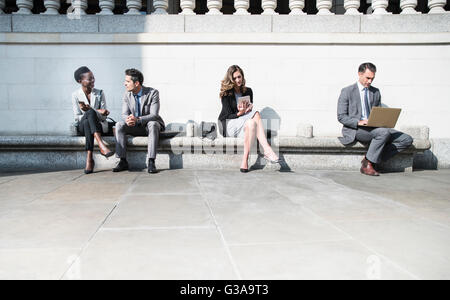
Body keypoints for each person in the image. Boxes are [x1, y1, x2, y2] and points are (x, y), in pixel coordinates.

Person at [337, 62, 413, 176]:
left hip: (376, 127)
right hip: (356, 128)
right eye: (368, 78)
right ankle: (368, 165)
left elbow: (377, 112)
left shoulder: (375, 92)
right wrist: (359, 122)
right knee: (383, 133)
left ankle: (369, 159)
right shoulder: (347, 91)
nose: (370, 81)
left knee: (406, 139)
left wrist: (384, 120)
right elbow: (341, 116)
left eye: (372, 79)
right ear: (359, 74)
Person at [218, 65, 280, 173]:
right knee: (256, 114)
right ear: (231, 79)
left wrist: (248, 110)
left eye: (239, 77)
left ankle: (245, 160)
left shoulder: (248, 91)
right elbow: (227, 116)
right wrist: (240, 113)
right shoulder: (226, 94)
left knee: (252, 122)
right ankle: (267, 149)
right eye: (235, 78)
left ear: (242, 76)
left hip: (243, 123)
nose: (238, 80)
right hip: (228, 124)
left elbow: (248, 114)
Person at [113, 68, 165, 174]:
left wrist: (138, 119)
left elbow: (154, 115)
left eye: (127, 81)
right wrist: (128, 120)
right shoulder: (127, 95)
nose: (125, 84)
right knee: (119, 125)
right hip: (134, 126)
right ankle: (122, 161)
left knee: (153, 124)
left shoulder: (153, 93)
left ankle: (151, 161)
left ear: (136, 83)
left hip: (149, 126)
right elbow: (124, 113)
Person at [72, 66, 114, 174]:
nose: (93, 80)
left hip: (97, 125)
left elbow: (104, 117)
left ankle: (89, 158)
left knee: (88, 119)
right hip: (81, 126)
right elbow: (77, 117)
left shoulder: (99, 93)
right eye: (89, 79)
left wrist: (91, 111)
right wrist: (93, 111)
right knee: (87, 116)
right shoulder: (75, 95)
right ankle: (101, 145)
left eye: (93, 78)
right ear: (80, 81)